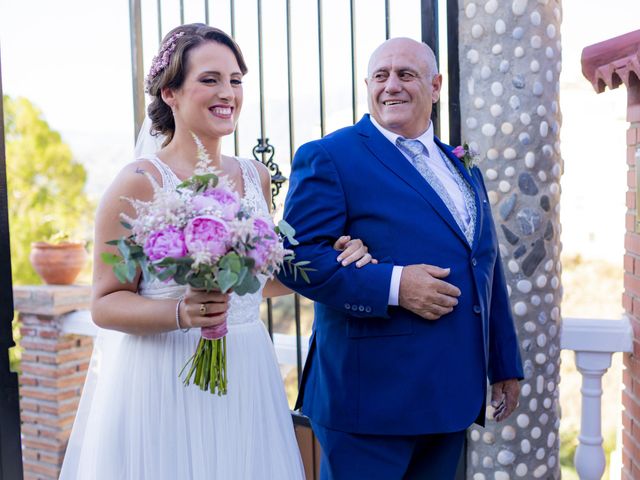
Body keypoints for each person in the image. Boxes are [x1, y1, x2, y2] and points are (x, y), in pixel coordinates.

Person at [60, 23, 376, 480]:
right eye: (209, 79)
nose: (227, 92)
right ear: (170, 92)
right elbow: (104, 304)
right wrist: (183, 314)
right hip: (163, 377)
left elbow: (256, 282)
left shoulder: (255, 178)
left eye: (235, 80)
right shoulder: (137, 183)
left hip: (247, 371)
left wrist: (331, 257)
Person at [278, 37, 524, 479]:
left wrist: (504, 362)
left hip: (448, 398)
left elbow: (484, 267)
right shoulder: (330, 156)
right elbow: (293, 257)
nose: (391, 85)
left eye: (405, 75)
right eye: (380, 76)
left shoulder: (462, 165)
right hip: (369, 402)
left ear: (435, 85)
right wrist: (394, 285)